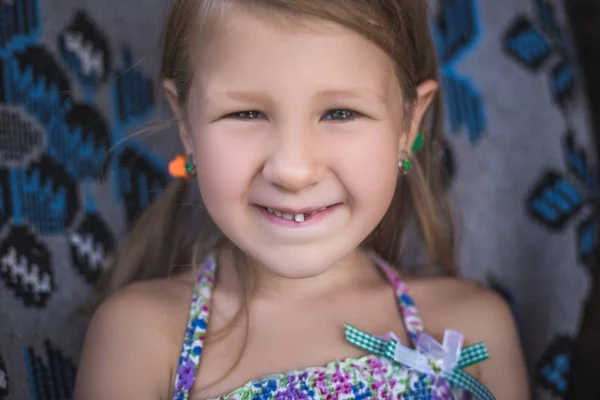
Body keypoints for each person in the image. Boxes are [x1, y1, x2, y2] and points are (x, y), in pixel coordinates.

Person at [74, 0, 530, 399]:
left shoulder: (473, 332)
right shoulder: (140, 340)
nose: (293, 171)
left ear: (408, 124)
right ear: (187, 125)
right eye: (245, 113)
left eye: (340, 113)